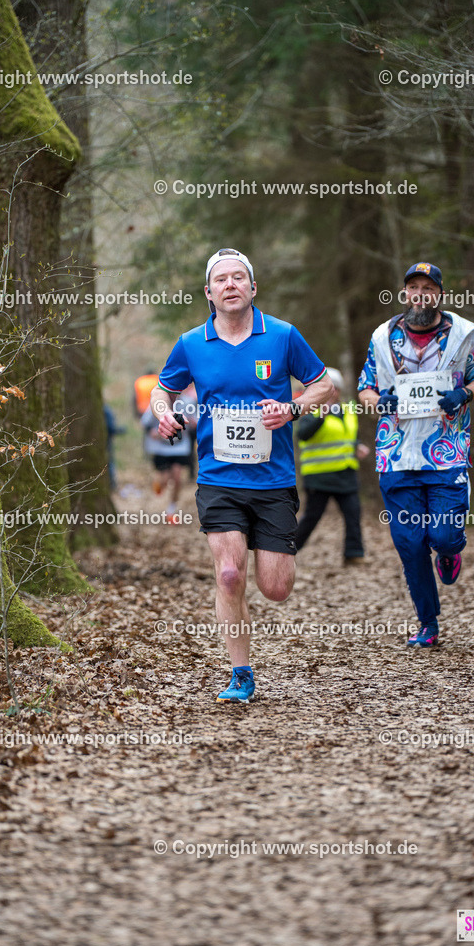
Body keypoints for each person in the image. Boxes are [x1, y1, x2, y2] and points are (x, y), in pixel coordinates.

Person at [151, 247, 333, 701]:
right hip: (218, 478)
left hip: (273, 480)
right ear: (209, 293)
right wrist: (164, 413)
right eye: (221, 279)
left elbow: (325, 386)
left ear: (253, 288)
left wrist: (291, 408)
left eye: (238, 278)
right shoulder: (192, 342)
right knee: (230, 574)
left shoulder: (283, 336)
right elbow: (163, 388)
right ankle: (240, 673)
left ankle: (267, 558)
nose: (230, 285)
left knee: (275, 588)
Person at [358, 261, 474, 647]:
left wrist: (463, 394)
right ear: (405, 294)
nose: (421, 294)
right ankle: (428, 624)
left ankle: (450, 553)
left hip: (446, 453)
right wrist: (378, 401)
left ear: (439, 295)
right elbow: (365, 388)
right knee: (409, 543)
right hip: (397, 456)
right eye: (413, 288)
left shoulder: (463, 333)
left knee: (445, 536)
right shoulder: (382, 337)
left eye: (428, 288)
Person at [295, 367, 370, 564]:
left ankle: (354, 554)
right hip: (319, 476)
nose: (332, 392)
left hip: (345, 472)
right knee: (312, 517)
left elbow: (349, 436)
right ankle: (289, 551)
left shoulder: (349, 409)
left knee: (353, 514)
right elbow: (303, 435)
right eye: (328, 388)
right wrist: (322, 415)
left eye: (335, 388)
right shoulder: (309, 410)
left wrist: (357, 446)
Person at [141, 384, 198, 522]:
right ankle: (159, 485)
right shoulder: (159, 402)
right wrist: (151, 431)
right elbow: (145, 421)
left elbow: (197, 420)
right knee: (165, 479)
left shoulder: (188, 403)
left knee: (177, 478)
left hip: (180, 447)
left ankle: (171, 510)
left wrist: (193, 423)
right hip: (161, 447)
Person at [103, 404, 126, 491]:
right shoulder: (106, 410)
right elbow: (110, 428)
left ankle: (111, 485)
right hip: (106, 441)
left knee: (109, 463)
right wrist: (119, 430)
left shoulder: (104, 409)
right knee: (110, 463)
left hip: (105, 441)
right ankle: (111, 485)